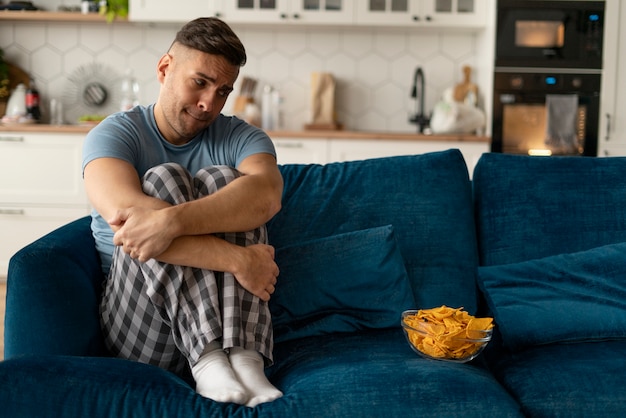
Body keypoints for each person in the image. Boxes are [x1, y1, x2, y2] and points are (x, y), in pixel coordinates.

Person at [82, 17, 284, 408]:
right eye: (200, 82)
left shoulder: (242, 137)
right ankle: (208, 360)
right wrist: (239, 260)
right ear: (164, 68)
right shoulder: (115, 134)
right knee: (163, 179)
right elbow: (128, 221)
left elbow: (266, 196)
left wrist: (171, 220)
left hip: (232, 326)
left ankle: (246, 360)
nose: (210, 103)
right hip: (142, 324)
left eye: (223, 91)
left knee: (228, 180)